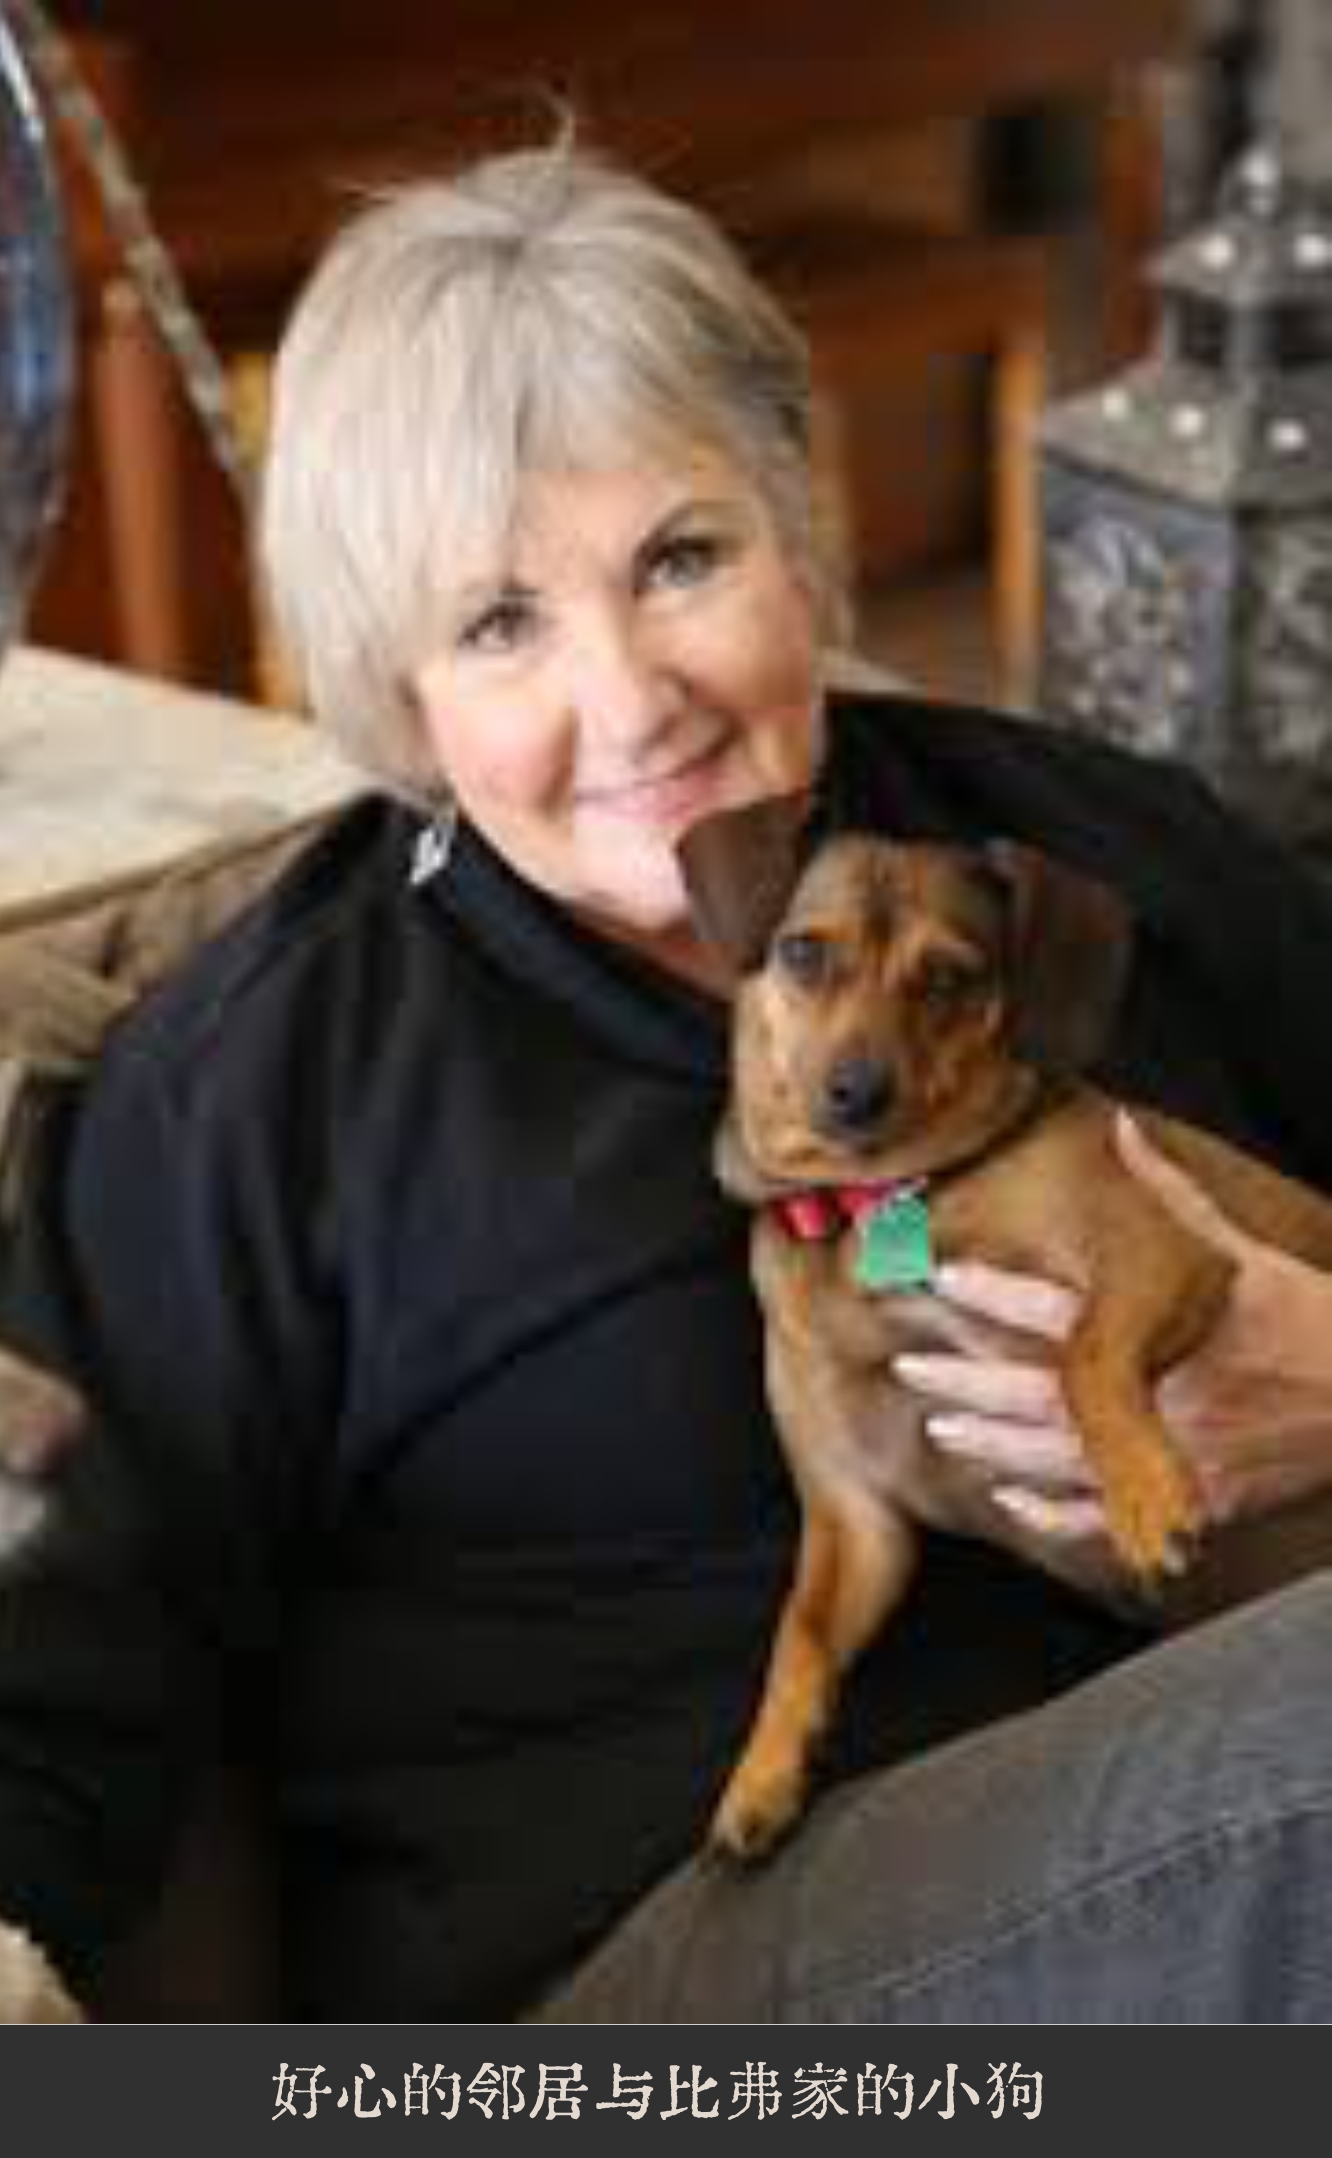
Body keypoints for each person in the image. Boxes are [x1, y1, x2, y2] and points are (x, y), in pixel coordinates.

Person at [4, 132, 1332, 2026]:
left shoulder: (1086, 855)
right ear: (399, 689)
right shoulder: (260, 1090)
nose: (632, 701)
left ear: (802, 529)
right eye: (500, 623)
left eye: (682, 558)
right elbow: (46, 1662)